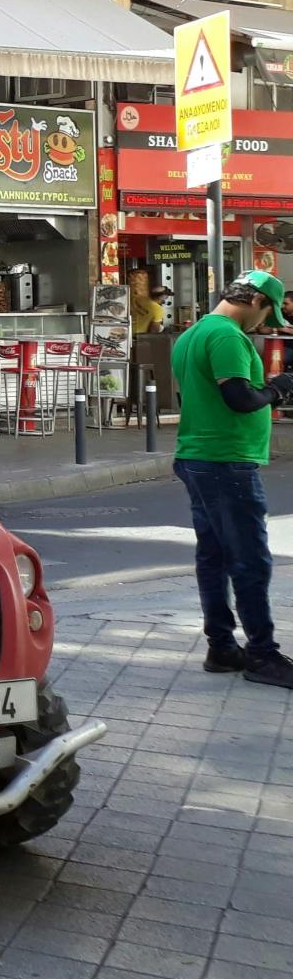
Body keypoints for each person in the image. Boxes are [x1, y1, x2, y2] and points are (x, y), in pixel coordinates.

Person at [171, 270, 293, 689]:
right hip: (225, 461)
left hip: (198, 456)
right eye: (267, 312)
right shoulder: (226, 336)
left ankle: (221, 647)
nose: (264, 323)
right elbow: (240, 399)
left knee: (215, 556)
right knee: (250, 559)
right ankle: (262, 654)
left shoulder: (193, 334)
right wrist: (279, 389)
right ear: (256, 301)